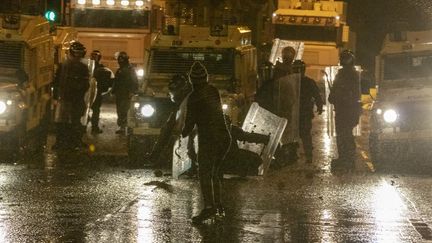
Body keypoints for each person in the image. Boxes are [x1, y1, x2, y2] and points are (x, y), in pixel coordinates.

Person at [181, 61, 231, 224]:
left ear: (191, 81)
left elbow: (188, 125)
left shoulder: (194, 98)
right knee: (215, 173)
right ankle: (219, 206)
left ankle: (209, 208)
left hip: (209, 139)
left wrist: (180, 133)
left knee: (204, 173)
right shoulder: (213, 90)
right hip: (224, 137)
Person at [52, 41, 90, 150]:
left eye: (80, 53)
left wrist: (78, 90)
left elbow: (85, 84)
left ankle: (74, 141)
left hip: (75, 98)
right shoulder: (63, 66)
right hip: (66, 98)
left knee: (75, 121)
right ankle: (62, 142)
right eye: (76, 53)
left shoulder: (82, 67)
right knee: (62, 121)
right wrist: (56, 97)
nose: (77, 56)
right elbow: (57, 82)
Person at [149, 74, 192, 167]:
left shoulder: (187, 103)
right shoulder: (186, 100)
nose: (171, 95)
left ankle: (155, 158)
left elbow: (176, 127)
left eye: (173, 91)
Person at [328, 50, 361, 168]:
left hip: (348, 110)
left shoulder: (350, 75)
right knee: (344, 135)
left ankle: (348, 159)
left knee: (345, 135)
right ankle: (345, 158)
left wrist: (336, 95)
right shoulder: (345, 74)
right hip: (344, 110)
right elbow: (333, 95)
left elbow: (354, 93)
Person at [292, 60, 324, 163]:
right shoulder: (291, 81)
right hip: (294, 112)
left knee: (304, 135)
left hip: (303, 112)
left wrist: (319, 105)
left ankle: (308, 156)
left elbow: (317, 95)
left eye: (299, 69)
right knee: (294, 135)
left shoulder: (307, 82)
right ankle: (294, 156)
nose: (298, 71)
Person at [112, 51, 138, 134]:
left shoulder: (130, 69)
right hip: (120, 94)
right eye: (119, 59)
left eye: (122, 59)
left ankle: (124, 127)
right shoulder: (120, 69)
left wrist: (132, 92)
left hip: (126, 94)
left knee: (124, 111)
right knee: (120, 110)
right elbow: (116, 82)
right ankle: (122, 126)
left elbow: (134, 82)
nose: (120, 61)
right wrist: (113, 91)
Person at [89, 50, 113, 134]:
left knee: (92, 110)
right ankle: (94, 127)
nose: (93, 58)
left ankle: (89, 127)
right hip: (94, 92)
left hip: (92, 92)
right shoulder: (100, 68)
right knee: (94, 111)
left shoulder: (88, 67)